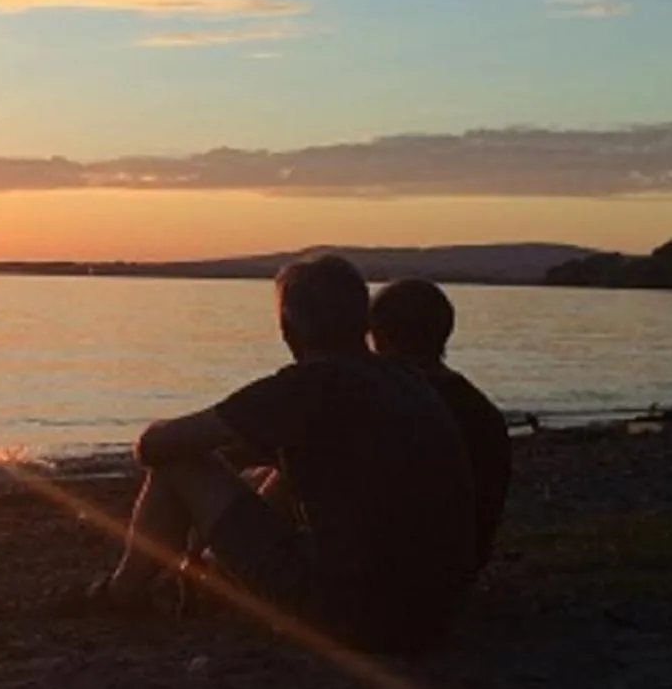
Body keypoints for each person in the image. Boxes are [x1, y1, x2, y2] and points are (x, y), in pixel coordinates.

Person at [75, 254, 476, 652]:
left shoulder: (307, 387)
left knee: (180, 463)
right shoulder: (405, 379)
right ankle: (203, 578)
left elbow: (156, 447)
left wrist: (177, 437)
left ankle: (124, 592)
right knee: (271, 472)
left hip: (356, 617)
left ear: (288, 324)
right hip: (434, 615)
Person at [368, 278, 510, 572]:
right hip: (461, 566)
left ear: (379, 335)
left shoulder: (385, 403)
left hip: (390, 571)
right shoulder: (482, 410)